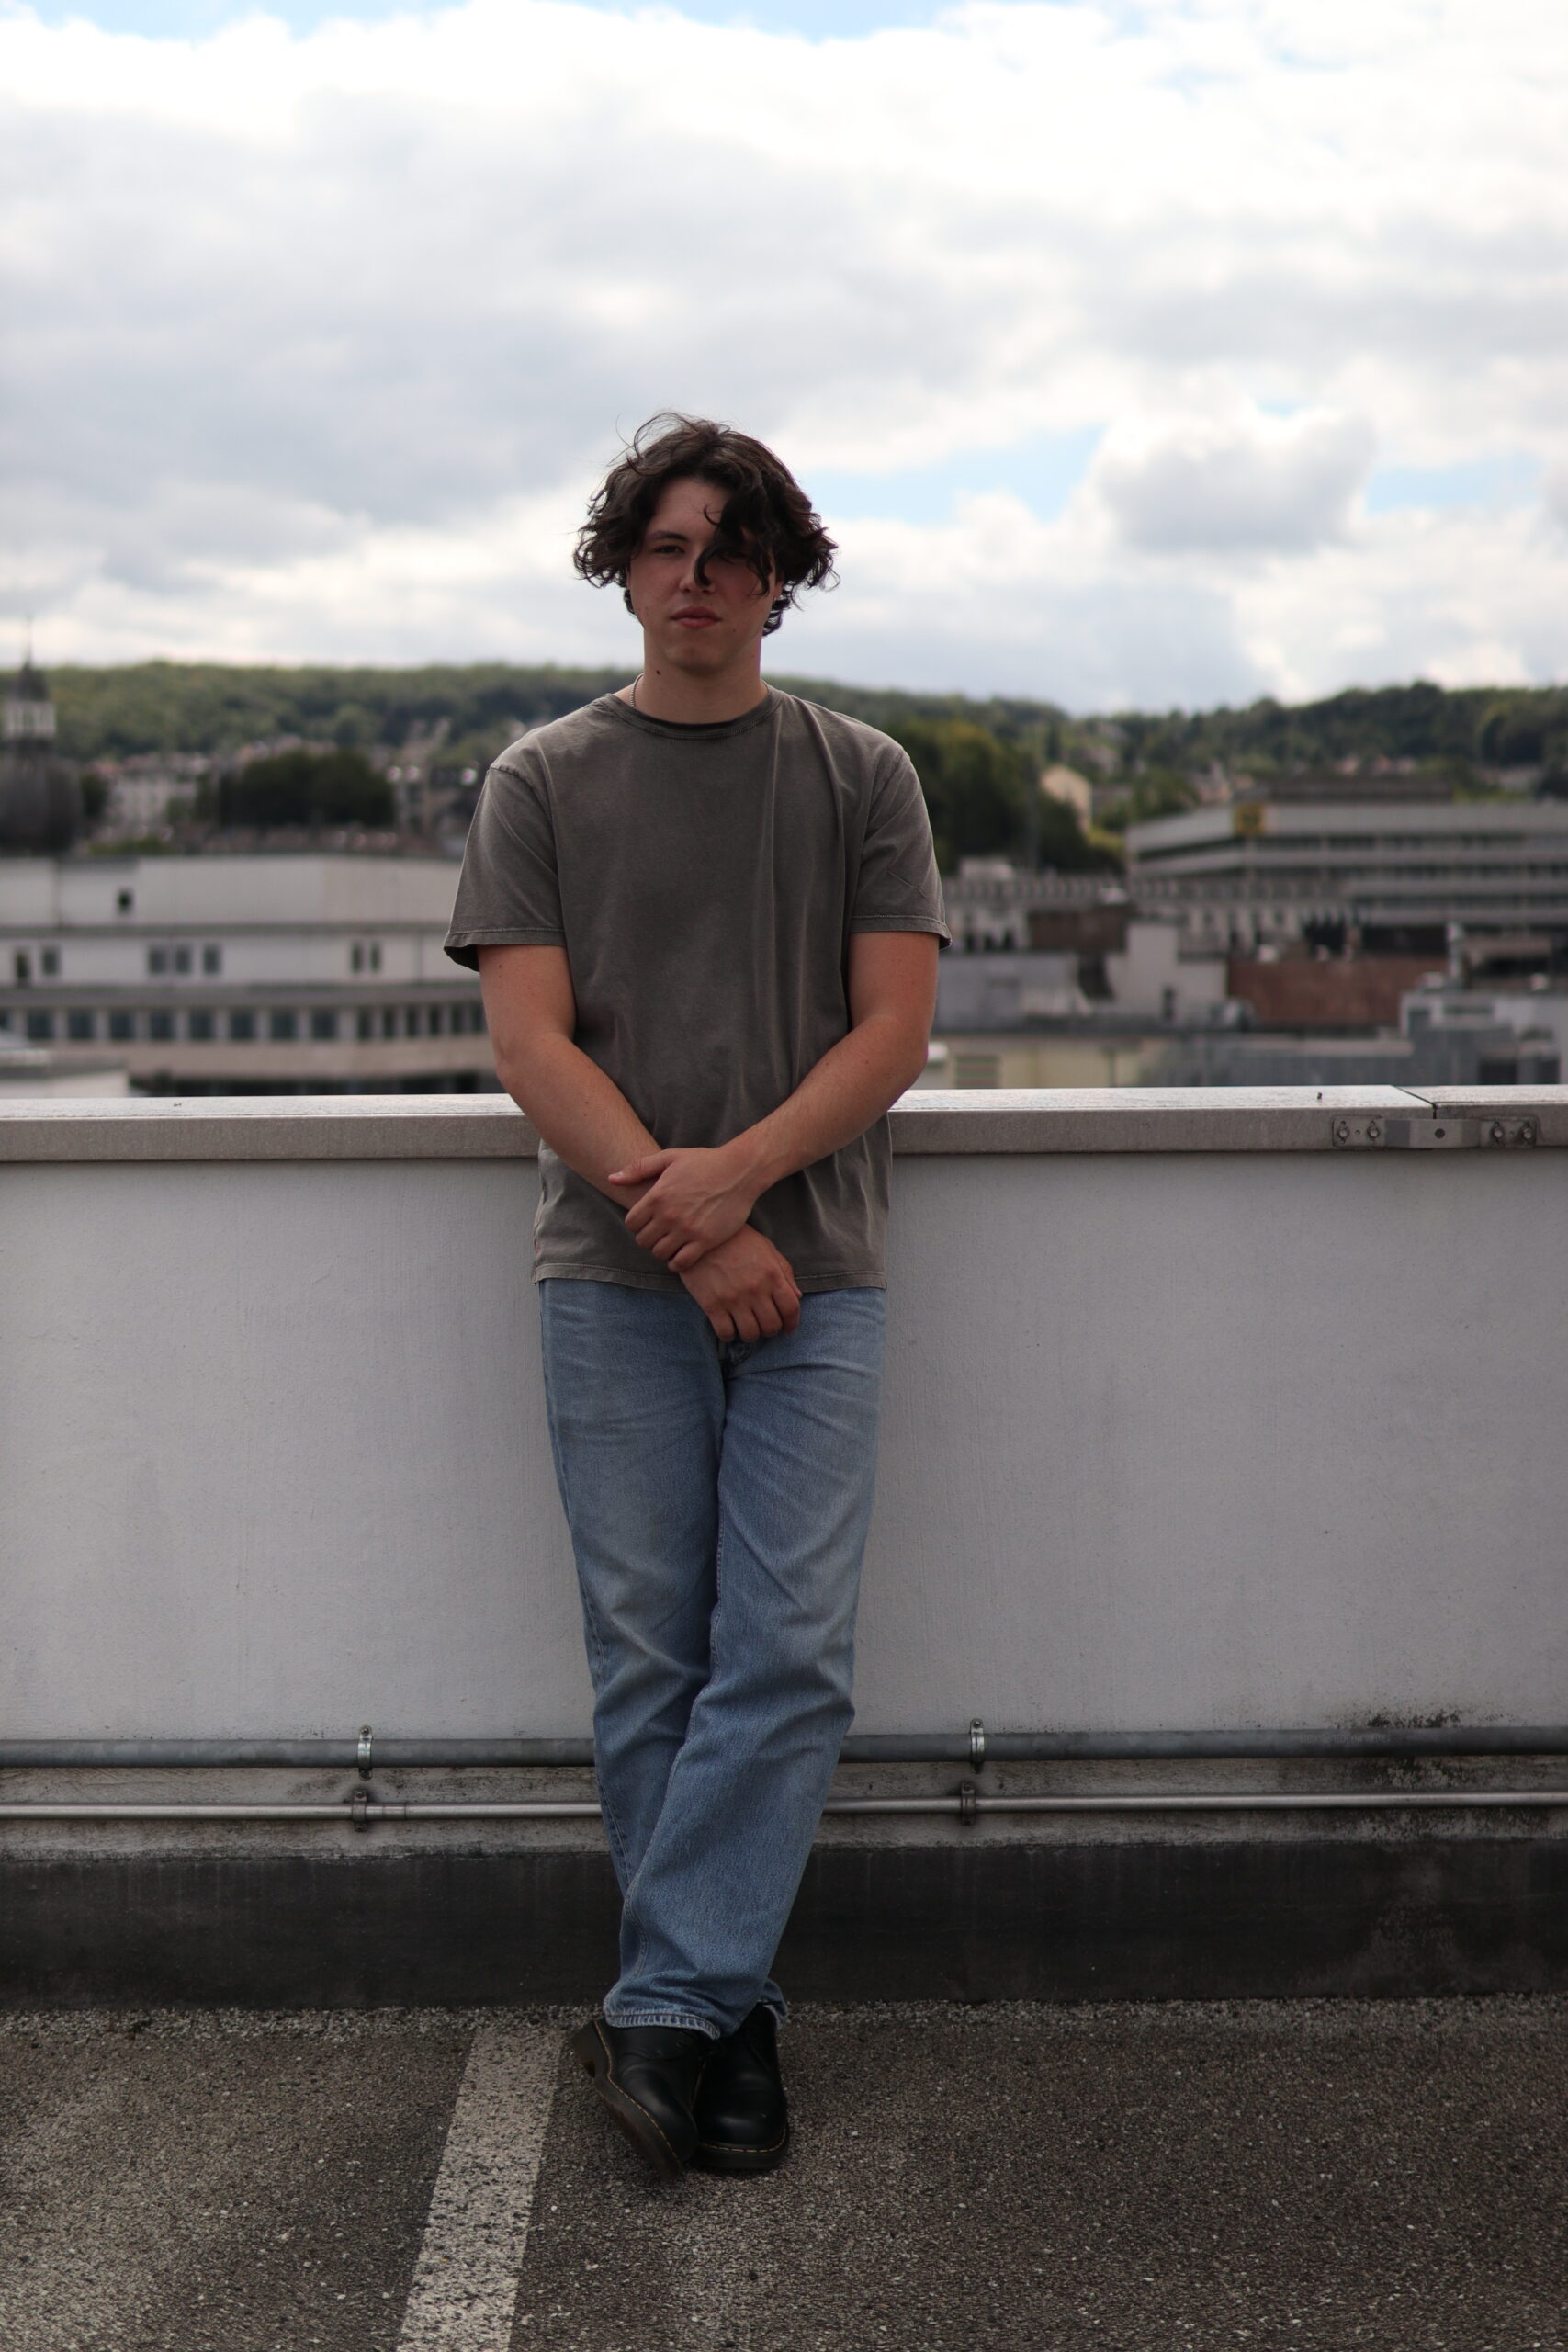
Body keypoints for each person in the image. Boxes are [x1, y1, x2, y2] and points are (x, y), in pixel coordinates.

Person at [445, 413, 946, 2180]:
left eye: (732, 551)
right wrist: (697, 1223)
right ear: (624, 570)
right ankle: (725, 2020)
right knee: (652, 1656)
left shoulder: (863, 776)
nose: (697, 579)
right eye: (666, 546)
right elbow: (531, 1045)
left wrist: (741, 1183)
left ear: (779, 578)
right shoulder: (538, 781)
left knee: (787, 1655)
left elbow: (894, 1032)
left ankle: (667, 2003)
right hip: (616, 1277)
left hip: (823, 1274)